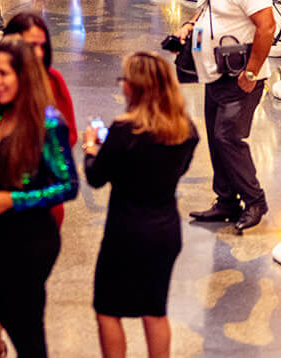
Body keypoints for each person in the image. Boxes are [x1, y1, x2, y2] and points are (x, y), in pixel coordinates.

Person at [0, 12, 77, 358]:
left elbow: (68, 186)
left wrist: (12, 200)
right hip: (3, 230)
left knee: (27, 324)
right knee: (1, 304)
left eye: (2, 73)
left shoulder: (47, 122)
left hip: (33, 234)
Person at [83, 52, 198, 358]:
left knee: (107, 310)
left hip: (126, 232)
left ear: (136, 87)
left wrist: (91, 148)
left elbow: (95, 178)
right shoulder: (186, 131)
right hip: (165, 231)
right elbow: (178, 169)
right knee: (155, 310)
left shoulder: (123, 131)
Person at [176, 0, 276, 232]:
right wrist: (190, 26)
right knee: (216, 139)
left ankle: (255, 200)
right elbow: (206, 9)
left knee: (228, 137)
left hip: (241, 75)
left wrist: (251, 72)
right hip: (215, 73)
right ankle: (226, 201)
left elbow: (267, 27)